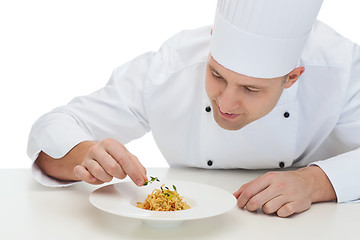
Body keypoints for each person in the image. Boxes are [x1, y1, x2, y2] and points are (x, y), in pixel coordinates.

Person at [27, 0, 360, 218]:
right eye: (216, 75)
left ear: (292, 78)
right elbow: (53, 129)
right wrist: (85, 154)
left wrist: (315, 182)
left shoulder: (341, 69)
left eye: (251, 89)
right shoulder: (167, 68)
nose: (226, 103)